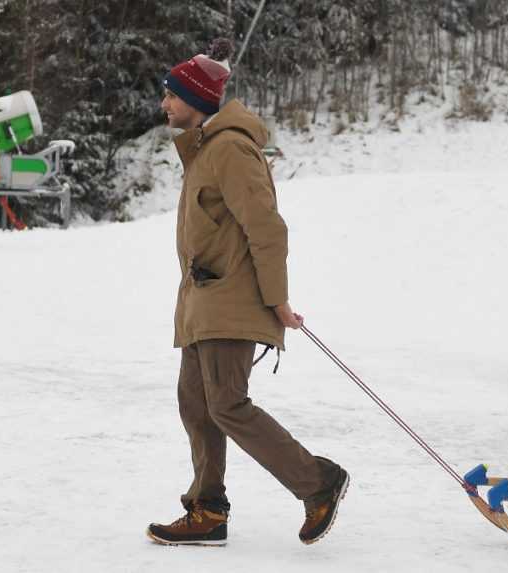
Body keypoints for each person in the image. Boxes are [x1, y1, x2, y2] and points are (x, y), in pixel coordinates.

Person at [146, 39, 348, 547]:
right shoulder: (205, 149)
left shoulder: (231, 148)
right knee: (196, 404)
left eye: (171, 95)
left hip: (230, 302)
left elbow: (267, 228)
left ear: (196, 99)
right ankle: (207, 509)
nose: (164, 105)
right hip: (202, 302)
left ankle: (318, 481)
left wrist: (277, 299)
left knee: (228, 405)